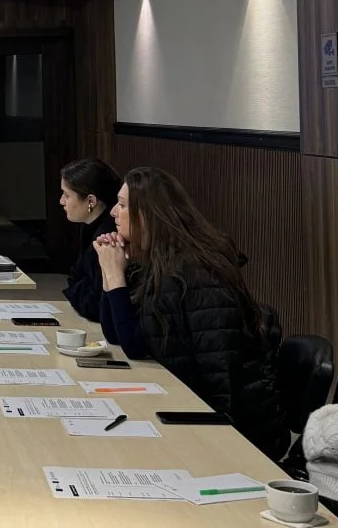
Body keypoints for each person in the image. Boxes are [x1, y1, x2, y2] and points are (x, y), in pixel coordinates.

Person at [95, 167, 286, 458]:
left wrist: (115, 275)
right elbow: (116, 335)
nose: (113, 213)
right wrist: (110, 273)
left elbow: (134, 345)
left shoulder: (186, 272)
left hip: (227, 424)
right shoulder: (164, 262)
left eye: (122, 205)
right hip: (192, 403)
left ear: (147, 214)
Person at [58, 158, 122, 320]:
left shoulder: (109, 235)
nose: (61, 201)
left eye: (66, 195)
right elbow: (74, 278)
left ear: (91, 201)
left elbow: (95, 305)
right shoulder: (89, 227)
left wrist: (77, 290)